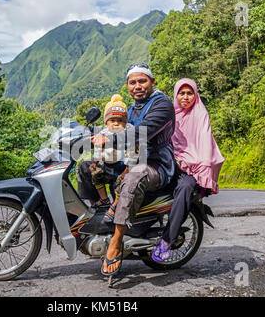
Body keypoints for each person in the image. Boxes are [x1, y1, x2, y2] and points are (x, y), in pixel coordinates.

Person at [79, 63, 177, 276]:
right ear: (127, 85)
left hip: (156, 164)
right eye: (133, 82)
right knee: (87, 167)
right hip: (129, 159)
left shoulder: (162, 104)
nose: (137, 86)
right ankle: (100, 207)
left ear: (152, 82)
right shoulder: (131, 108)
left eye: (142, 81)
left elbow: (140, 133)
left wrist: (110, 139)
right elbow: (118, 127)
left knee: (133, 177)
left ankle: (116, 241)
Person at [151, 78, 225, 262]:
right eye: (181, 93)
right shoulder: (170, 115)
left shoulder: (200, 115)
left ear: (195, 95)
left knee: (184, 188)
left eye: (189, 93)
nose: (185, 97)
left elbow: (204, 143)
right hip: (169, 164)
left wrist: (193, 164)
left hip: (192, 169)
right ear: (175, 95)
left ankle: (167, 241)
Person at [89, 94, 139, 218]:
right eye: (112, 120)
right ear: (106, 122)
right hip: (107, 165)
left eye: (120, 121)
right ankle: (104, 199)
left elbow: (132, 152)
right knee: (96, 176)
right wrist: (95, 163)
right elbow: (97, 149)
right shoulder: (103, 133)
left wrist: (127, 169)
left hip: (122, 166)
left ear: (125, 122)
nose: (116, 124)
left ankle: (115, 205)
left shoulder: (128, 132)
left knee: (120, 185)